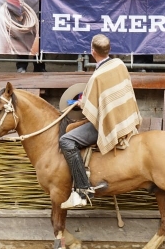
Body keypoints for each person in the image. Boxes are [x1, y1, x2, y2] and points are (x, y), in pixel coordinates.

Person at [59, 34, 142, 209]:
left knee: (66, 140)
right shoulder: (119, 64)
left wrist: (82, 102)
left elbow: (89, 109)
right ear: (109, 50)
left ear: (92, 51)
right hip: (125, 119)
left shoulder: (97, 76)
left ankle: (82, 190)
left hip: (108, 125)